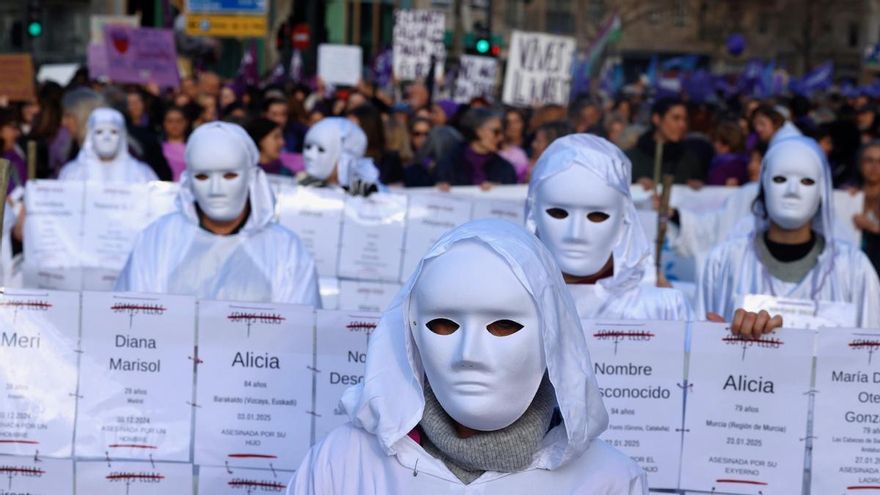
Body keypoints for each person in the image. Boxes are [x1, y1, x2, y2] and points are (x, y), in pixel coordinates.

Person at [289, 219, 646, 494]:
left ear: (552, 335)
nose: (469, 355)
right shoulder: (343, 465)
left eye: (503, 325)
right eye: (444, 324)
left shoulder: (608, 482)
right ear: (412, 330)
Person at [527, 134, 782, 333]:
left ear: (624, 220)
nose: (576, 234)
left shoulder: (660, 309)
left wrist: (737, 341)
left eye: (596, 215)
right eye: (559, 213)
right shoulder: (512, 305)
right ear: (533, 214)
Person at [115, 122, 320, 306]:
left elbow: (298, 332)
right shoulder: (157, 240)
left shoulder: (286, 250)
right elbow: (133, 322)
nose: (216, 189)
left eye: (229, 175)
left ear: (251, 176)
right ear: (189, 181)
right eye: (203, 176)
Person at [698, 136, 880, 328]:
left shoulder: (854, 269)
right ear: (764, 186)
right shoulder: (724, 262)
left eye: (806, 181)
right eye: (780, 179)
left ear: (822, 191)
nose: (792, 190)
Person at [58, 108, 158, 183]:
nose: (107, 138)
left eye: (113, 132)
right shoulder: (71, 173)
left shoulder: (142, 174)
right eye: (99, 132)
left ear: (122, 136)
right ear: (90, 136)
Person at [627, 97, 704, 188]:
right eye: (676, 118)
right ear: (657, 119)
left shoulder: (689, 160)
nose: (682, 125)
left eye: (685, 119)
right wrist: (635, 184)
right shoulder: (631, 159)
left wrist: (698, 187)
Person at [300, 117, 381, 196]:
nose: (309, 155)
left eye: (321, 149)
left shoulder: (371, 196)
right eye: (308, 147)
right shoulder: (304, 189)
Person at [435, 108, 516, 188]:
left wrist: (500, 191)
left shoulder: (505, 168)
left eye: (502, 132)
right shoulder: (449, 163)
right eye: (496, 132)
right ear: (479, 131)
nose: (501, 137)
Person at [853, 141, 880, 275]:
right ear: (860, 163)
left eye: (879, 161)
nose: (874, 167)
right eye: (869, 160)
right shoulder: (849, 193)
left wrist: (872, 227)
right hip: (852, 269)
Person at [499, 108, 529, 182]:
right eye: (507, 122)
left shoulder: (532, 146)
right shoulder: (497, 149)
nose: (512, 125)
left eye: (516, 121)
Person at [161, 106, 190, 181]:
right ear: (164, 123)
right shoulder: (157, 149)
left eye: (179, 121)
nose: (174, 125)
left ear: (185, 123)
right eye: (170, 121)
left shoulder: (193, 149)